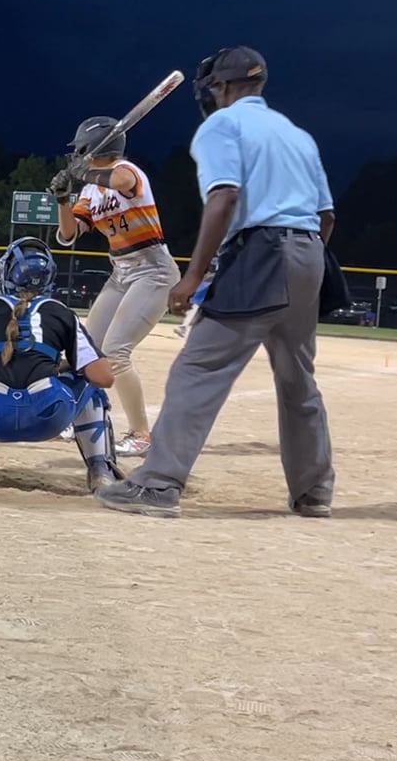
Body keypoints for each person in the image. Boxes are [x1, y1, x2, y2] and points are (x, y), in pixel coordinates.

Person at [95, 46, 338, 519]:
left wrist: (191, 277)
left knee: (198, 369)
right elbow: (326, 216)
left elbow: (224, 195)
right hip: (310, 253)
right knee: (298, 381)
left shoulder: (222, 125)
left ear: (222, 88)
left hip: (262, 252)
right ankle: (314, 492)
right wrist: (303, 266)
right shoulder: (297, 135)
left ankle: (158, 485)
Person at [0, 236, 123, 492]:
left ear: (7, 273)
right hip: (49, 418)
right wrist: (63, 364)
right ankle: (100, 469)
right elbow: (104, 378)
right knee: (91, 390)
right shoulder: (61, 312)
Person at [48, 115, 180, 458]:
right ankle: (76, 417)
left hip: (153, 271)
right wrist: (63, 199)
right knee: (85, 350)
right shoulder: (91, 191)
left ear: (94, 147)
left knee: (116, 352)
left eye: (81, 149)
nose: (77, 154)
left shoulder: (127, 171)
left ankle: (141, 435)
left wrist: (84, 173)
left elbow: (121, 181)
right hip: (120, 274)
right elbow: (68, 234)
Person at [175, 255, 219, 338]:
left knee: (196, 305)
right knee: (196, 304)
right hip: (211, 283)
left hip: (209, 282)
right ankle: (184, 326)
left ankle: (184, 326)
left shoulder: (214, 256)